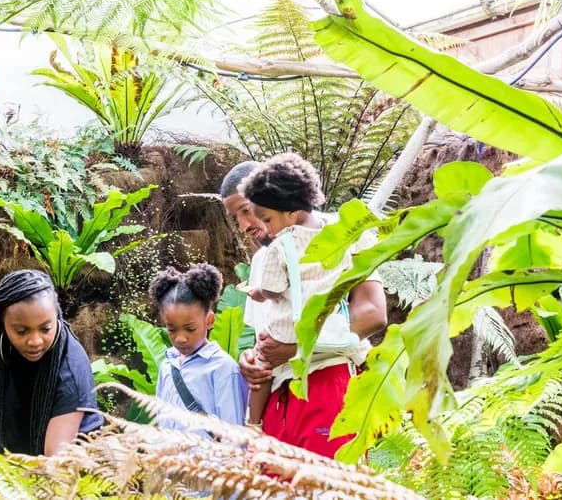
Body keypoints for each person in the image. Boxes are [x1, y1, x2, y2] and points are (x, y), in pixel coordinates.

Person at [219, 157, 387, 457]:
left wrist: (296, 348)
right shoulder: (262, 263)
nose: (244, 225)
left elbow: (373, 314)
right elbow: (265, 336)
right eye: (236, 218)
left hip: (327, 386)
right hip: (276, 403)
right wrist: (249, 360)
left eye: (248, 211)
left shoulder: (344, 233)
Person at [0, 270, 103, 456]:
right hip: (18, 438)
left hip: (71, 465)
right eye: (21, 331)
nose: (35, 341)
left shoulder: (71, 372)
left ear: (56, 316)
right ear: (2, 323)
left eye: (45, 328)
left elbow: (53, 464)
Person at [149, 263, 248, 432]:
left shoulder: (223, 368)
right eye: (171, 329)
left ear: (209, 320)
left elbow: (234, 435)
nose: (180, 338)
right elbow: (161, 421)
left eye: (190, 329)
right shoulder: (167, 365)